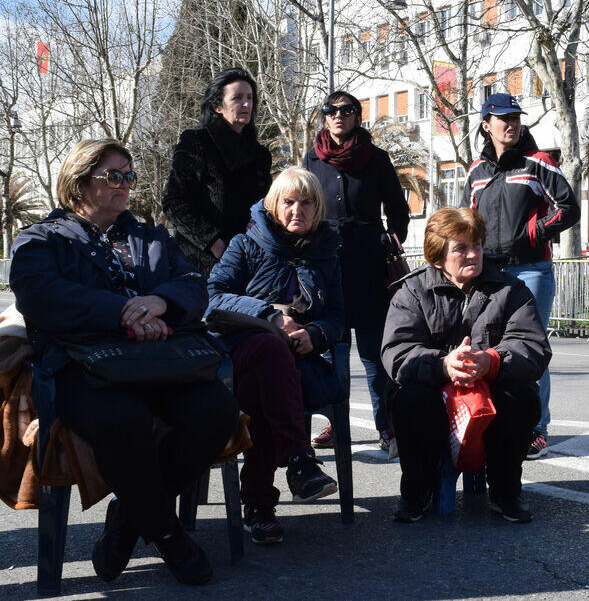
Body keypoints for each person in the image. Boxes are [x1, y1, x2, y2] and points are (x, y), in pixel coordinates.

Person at [10, 139, 238, 585]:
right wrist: (120, 312)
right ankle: (169, 535)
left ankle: (129, 520)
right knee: (124, 418)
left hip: (162, 360)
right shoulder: (42, 239)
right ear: (79, 183)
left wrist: (158, 302)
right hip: (87, 367)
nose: (125, 185)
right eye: (114, 176)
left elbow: (194, 285)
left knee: (216, 411)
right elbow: (39, 296)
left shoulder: (150, 236)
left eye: (130, 176)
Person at [381, 207, 549, 523]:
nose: (473, 254)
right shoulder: (412, 292)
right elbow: (397, 352)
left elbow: (533, 346)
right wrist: (444, 365)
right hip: (434, 390)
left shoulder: (511, 290)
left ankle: (506, 492)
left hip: (490, 389)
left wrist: (492, 361)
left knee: (521, 396)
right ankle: (417, 491)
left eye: (477, 245)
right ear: (437, 257)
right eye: (461, 248)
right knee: (410, 398)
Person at [206, 167, 345, 545]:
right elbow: (213, 297)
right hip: (241, 356)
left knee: (272, 385)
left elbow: (337, 316)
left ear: (317, 208)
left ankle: (259, 508)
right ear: (273, 204)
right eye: (288, 202)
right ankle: (298, 463)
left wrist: (314, 335)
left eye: (306, 202)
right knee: (269, 353)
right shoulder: (246, 244)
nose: (296, 210)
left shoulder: (327, 252)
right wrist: (269, 316)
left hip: (298, 362)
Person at [461, 93, 580, 460]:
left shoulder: (538, 162)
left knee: (529, 347)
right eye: (503, 119)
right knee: (488, 346)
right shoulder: (476, 171)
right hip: (490, 271)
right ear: (486, 125)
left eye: (515, 117)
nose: (511, 124)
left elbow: (569, 207)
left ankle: (536, 429)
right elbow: (466, 221)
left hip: (532, 270)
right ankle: (496, 420)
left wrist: (535, 232)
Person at [303, 90, 409, 453]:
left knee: (374, 355)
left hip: (367, 264)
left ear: (356, 117)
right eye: (330, 110)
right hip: (325, 265)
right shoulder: (312, 160)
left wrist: (391, 239)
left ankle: (388, 428)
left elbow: (398, 208)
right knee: (333, 353)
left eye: (346, 110)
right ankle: (337, 423)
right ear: (324, 117)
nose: (337, 116)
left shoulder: (376, 159)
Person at [163, 67, 273, 277]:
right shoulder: (196, 142)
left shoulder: (260, 155)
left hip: (250, 257)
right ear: (217, 106)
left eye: (250, 98)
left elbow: (265, 203)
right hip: (202, 263)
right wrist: (214, 243)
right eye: (237, 98)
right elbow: (174, 202)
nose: (246, 104)